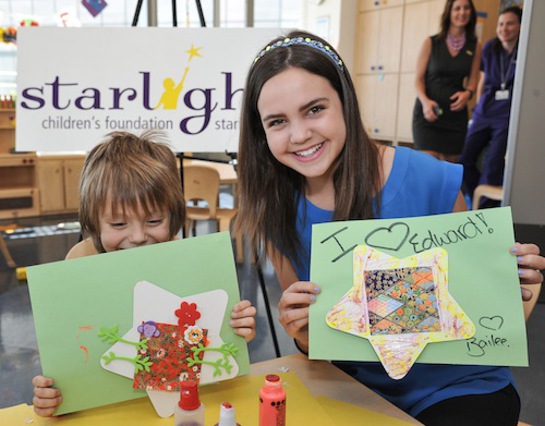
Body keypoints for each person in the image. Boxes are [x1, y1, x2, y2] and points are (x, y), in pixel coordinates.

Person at [235, 29, 545, 425]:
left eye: (315, 109)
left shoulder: (430, 179)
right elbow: (319, 343)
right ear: (261, 134)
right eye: (277, 121)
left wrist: (509, 276)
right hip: (356, 386)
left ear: (345, 102)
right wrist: (304, 332)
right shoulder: (274, 210)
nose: (299, 135)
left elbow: (480, 298)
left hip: (457, 384)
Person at [32, 130, 256, 417]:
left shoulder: (185, 262)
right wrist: (50, 392)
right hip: (108, 410)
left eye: (153, 220)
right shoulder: (78, 261)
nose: (138, 236)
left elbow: (211, 347)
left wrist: (236, 330)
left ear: (173, 217)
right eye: (118, 223)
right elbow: (71, 352)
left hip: (174, 408)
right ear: (94, 221)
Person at [460, 6, 522, 207]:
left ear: (520, 26)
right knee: (464, 161)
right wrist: (477, 109)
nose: (505, 28)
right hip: (484, 112)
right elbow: (482, 82)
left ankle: (484, 211)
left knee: (492, 164)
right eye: (501, 24)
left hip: (506, 117)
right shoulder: (489, 48)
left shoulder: (525, 50)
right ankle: (479, 196)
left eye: (510, 23)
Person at [412, 0, 482, 162]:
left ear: (471, 13)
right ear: (449, 12)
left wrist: (468, 93)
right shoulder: (431, 43)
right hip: (428, 114)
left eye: (466, 8)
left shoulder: (475, 46)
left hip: (455, 118)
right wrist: (425, 102)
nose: (462, 12)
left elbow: (473, 79)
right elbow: (418, 80)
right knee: (428, 167)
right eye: (457, 8)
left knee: (449, 172)